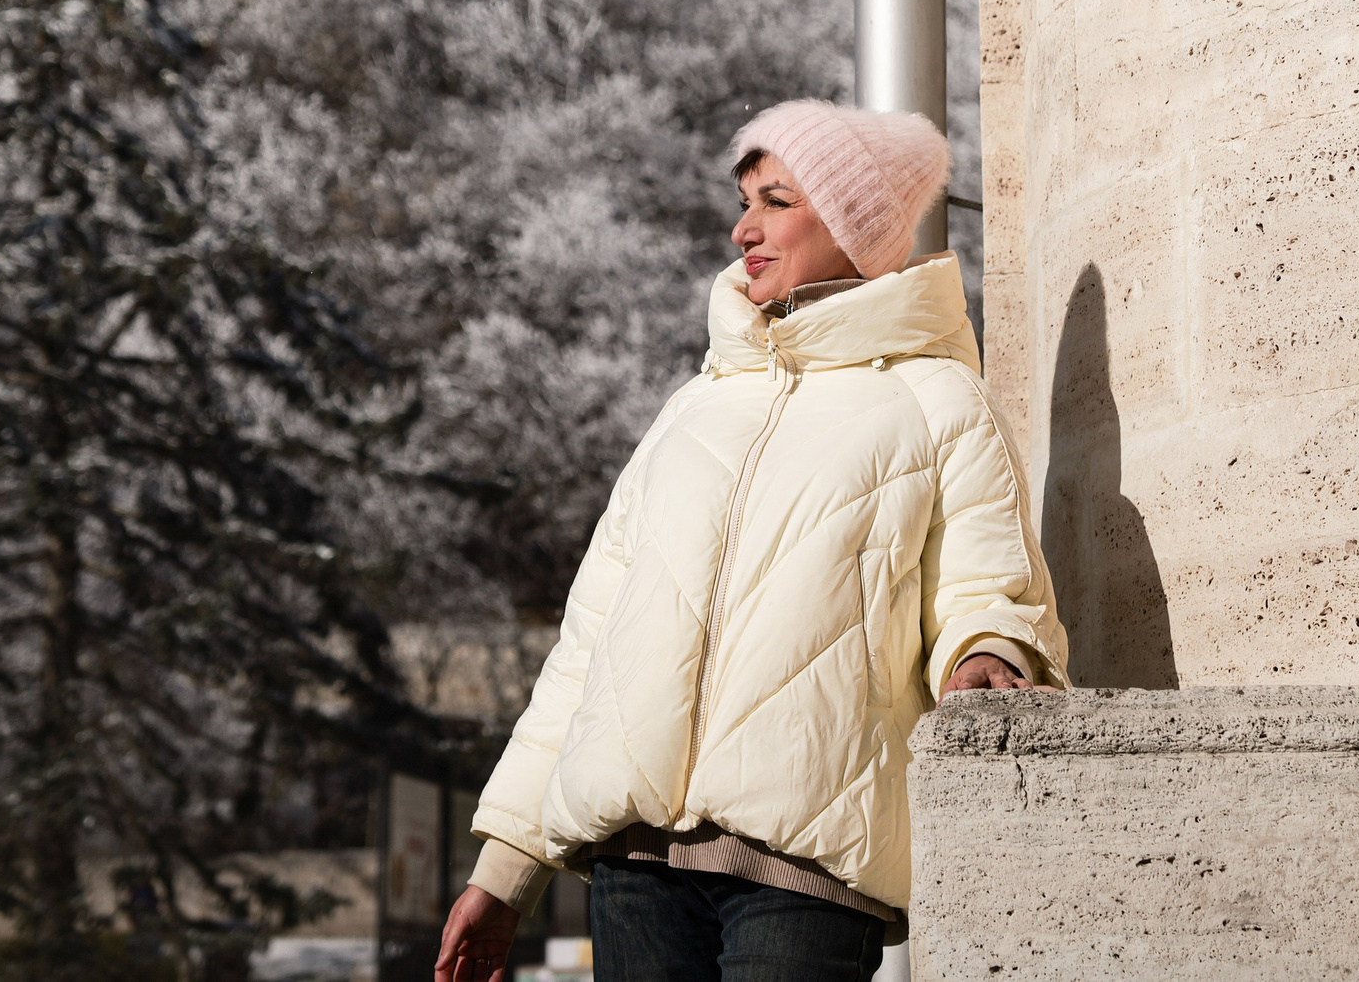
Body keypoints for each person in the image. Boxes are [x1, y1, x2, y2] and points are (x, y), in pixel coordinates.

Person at [434, 101, 1068, 982]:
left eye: (777, 200)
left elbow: (986, 586)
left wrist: (986, 652)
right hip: (635, 863)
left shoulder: (939, 400)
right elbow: (589, 649)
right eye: (744, 202)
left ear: (853, 223)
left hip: (805, 871)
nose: (744, 229)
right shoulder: (692, 409)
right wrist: (505, 871)